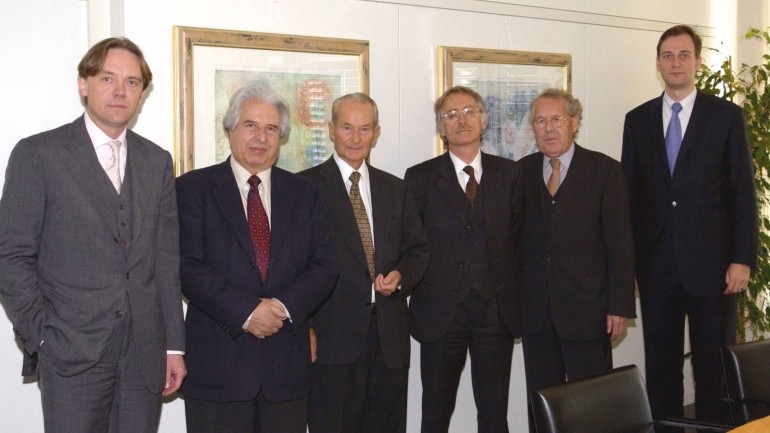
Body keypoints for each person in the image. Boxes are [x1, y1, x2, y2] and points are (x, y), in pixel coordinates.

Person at [0, 37, 186, 433]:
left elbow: (166, 264)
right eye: (107, 78)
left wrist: (173, 345)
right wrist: (44, 336)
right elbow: (11, 256)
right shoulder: (39, 154)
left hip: (144, 355)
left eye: (132, 82)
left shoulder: (157, 162)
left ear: (141, 93)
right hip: (71, 353)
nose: (120, 91)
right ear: (83, 84)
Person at [176, 84, 337, 433]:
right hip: (218, 370)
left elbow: (325, 266)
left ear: (281, 138)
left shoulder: (307, 194)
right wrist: (247, 313)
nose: (260, 137)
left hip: (286, 372)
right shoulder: (192, 189)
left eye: (271, 129)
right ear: (230, 129)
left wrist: (278, 307)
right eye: (250, 125)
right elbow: (187, 266)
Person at [622, 25, 758, 428]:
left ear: (698, 62)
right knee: (661, 371)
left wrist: (741, 259)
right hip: (656, 268)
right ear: (658, 63)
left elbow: (742, 194)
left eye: (683, 55)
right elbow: (629, 200)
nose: (675, 62)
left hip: (715, 269)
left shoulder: (726, 117)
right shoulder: (638, 120)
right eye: (667, 55)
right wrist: (628, 268)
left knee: (713, 369)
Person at [299, 93, 429, 433]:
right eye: (346, 127)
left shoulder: (396, 189)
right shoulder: (304, 188)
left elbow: (418, 250)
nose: (355, 138)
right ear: (331, 129)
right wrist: (305, 326)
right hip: (332, 338)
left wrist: (401, 275)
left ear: (377, 133)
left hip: (389, 338)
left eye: (364, 129)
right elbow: (295, 265)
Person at [404, 86, 522, 433]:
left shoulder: (510, 175)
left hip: (495, 312)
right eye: (451, 115)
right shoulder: (420, 178)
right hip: (441, 313)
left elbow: (518, 242)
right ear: (441, 128)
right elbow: (411, 243)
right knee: (435, 412)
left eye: (469, 111)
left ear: (483, 120)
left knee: (493, 412)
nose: (461, 120)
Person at [518, 88, 636, 432]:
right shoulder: (520, 174)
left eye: (557, 119)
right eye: (541, 120)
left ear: (575, 123)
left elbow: (620, 244)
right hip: (536, 315)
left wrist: (619, 305)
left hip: (589, 312)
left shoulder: (605, 172)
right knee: (541, 403)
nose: (549, 128)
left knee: (592, 406)